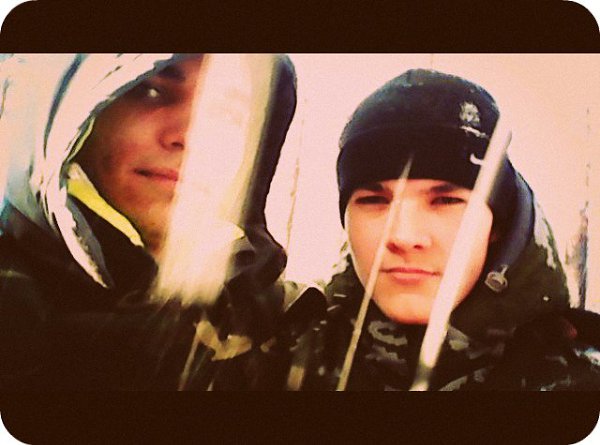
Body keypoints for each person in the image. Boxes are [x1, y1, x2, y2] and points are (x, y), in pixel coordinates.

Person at [0, 53, 325, 390]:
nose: (194, 136)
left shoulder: (283, 316)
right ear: (72, 107)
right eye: (152, 91)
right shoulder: (14, 303)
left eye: (228, 111)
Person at [300, 68, 600, 391]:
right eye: (374, 200)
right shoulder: (291, 349)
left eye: (445, 201)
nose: (403, 236)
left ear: (496, 227)